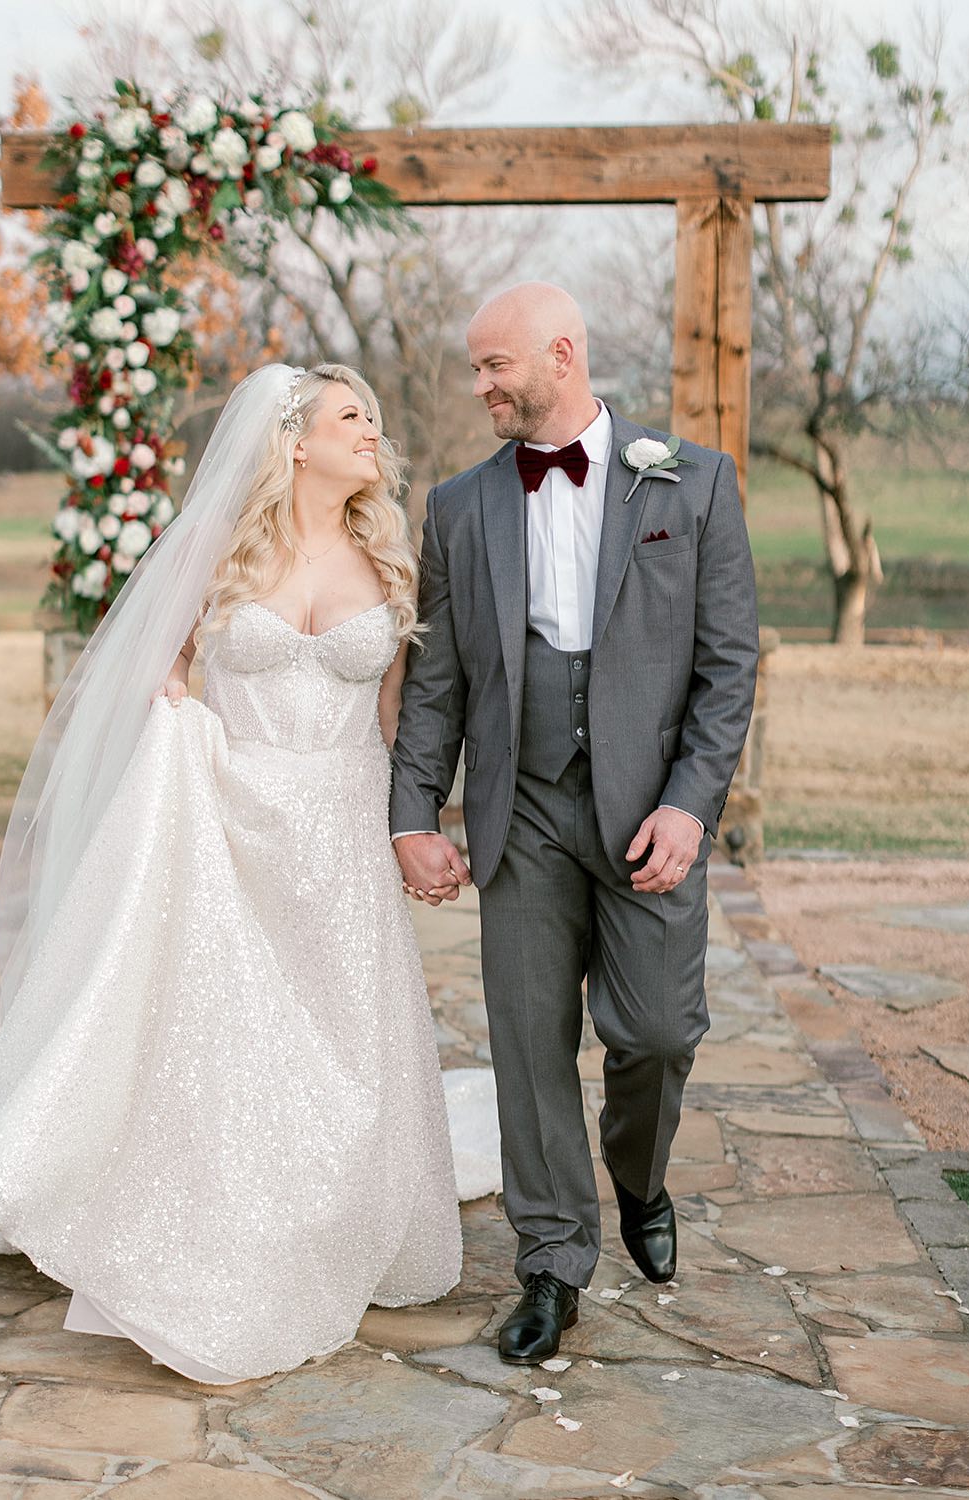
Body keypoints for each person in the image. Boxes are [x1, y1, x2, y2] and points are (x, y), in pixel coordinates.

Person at [0, 363, 464, 1384]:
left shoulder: (389, 559)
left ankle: (333, 1213)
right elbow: (149, 668)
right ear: (294, 442)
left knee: (342, 1031)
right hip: (229, 812)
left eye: (374, 420)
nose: (372, 434)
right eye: (352, 418)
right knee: (231, 1031)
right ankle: (183, 1212)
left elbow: (396, 716)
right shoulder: (223, 550)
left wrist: (411, 827)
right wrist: (169, 696)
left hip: (337, 823)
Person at [390, 282, 760, 1364]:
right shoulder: (461, 506)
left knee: (655, 1033)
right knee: (527, 1042)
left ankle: (638, 1170)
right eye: (474, 368)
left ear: (561, 354)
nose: (481, 388)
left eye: (495, 366)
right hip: (524, 805)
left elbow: (729, 667)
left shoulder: (691, 484)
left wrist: (692, 805)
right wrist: (413, 809)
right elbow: (437, 683)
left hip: (651, 807)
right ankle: (551, 1262)